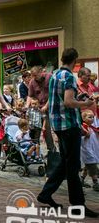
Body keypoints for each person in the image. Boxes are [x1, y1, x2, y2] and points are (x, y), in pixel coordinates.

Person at [37, 48, 97, 218]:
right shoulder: (69, 76)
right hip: (69, 125)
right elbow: (69, 102)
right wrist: (85, 104)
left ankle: (45, 194)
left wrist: (80, 97)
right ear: (75, 60)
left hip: (58, 124)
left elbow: (55, 98)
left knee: (65, 162)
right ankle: (78, 204)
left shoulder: (55, 74)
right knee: (73, 166)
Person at [27, 66, 56, 152]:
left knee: (48, 129)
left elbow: (53, 94)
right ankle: (36, 151)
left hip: (50, 107)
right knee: (36, 130)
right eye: (32, 75)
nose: (34, 77)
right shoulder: (32, 82)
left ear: (41, 72)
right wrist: (27, 105)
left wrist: (46, 106)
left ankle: (52, 150)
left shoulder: (49, 77)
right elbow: (30, 95)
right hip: (38, 109)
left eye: (35, 75)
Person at [80, 110, 99, 191]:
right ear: (83, 118)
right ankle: (95, 183)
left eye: (92, 117)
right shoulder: (84, 127)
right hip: (86, 150)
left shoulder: (92, 127)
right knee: (92, 165)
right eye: (89, 117)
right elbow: (83, 134)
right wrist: (85, 132)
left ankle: (81, 180)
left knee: (88, 165)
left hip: (92, 149)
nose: (92, 119)